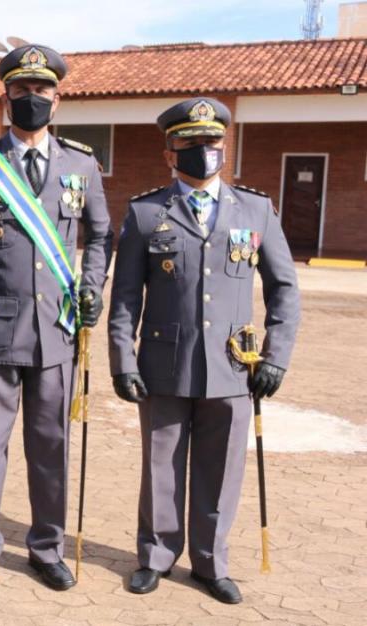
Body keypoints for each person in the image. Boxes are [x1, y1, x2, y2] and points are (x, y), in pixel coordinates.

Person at [108, 97, 300, 604]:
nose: (203, 151)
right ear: (170, 152)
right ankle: (155, 556)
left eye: (211, 142)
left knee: (221, 469)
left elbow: (284, 288)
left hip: (234, 366)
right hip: (162, 364)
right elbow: (125, 296)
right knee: (161, 466)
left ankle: (210, 562)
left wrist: (276, 354)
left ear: (223, 147)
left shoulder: (255, 208)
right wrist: (121, 361)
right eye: (190, 144)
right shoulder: (147, 211)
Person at [0, 44, 113, 592]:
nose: (32, 99)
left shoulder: (81, 164)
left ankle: (46, 547)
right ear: (7, 97)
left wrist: (91, 289)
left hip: (57, 332)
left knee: (50, 446)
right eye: (22, 91)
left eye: (42, 92)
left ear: (57, 100)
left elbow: (102, 236)